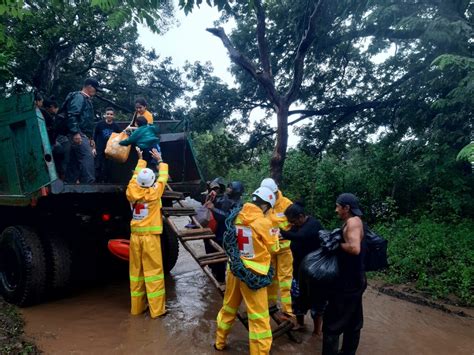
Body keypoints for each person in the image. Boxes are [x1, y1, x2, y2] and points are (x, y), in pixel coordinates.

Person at [215, 186, 279, 354]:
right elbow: (274, 249)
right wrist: (275, 236)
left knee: (228, 307)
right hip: (253, 276)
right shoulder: (264, 223)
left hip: (234, 270)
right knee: (259, 318)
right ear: (266, 206)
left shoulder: (238, 216)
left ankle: (219, 342)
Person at [126, 147, 169, 318]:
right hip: (150, 239)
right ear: (152, 181)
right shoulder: (154, 192)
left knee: (136, 274)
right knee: (153, 274)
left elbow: (134, 177)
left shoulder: (131, 192)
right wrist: (159, 160)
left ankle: (137, 308)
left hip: (135, 238)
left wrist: (140, 159)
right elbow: (163, 177)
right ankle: (157, 311)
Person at [322, 193, 366, 355]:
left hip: (347, 284)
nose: (336, 210)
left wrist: (337, 245)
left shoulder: (353, 222)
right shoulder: (356, 221)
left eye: (338, 206)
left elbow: (355, 248)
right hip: (356, 280)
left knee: (333, 322)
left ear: (346, 208)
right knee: (353, 320)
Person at [281, 202, 325, 335]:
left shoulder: (313, 225)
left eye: (293, 221)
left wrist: (282, 233)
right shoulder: (297, 226)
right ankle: (300, 324)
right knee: (297, 297)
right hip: (298, 269)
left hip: (314, 271)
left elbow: (300, 236)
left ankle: (317, 331)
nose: (292, 224)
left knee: (316, 301)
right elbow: (291, 233)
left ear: (301, 216)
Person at [260, 178, 294, 318]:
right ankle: (270, 304)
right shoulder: (264, 203)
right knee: (271, 277)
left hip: (285, 248)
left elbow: (295, 224)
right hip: (270, 248)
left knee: (285, 279)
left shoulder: (287, 204)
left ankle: (288, 311)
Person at [61, 77, 100, 183]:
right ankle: (89, 185)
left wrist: (91, 137)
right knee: (87, 157)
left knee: (74, 162)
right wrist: (75, 132)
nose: (95, 92)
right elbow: (72, 115)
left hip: (82, 134)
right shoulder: (79, 97)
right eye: (95, 89)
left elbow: (87, 121)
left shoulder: (86, 99)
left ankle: (68, 185)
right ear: (89, 86)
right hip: (78, 133)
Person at [205, 181, 245, 282]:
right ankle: (215, 274)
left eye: (230, 188)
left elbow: (228, 217)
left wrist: (213, 208)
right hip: (217, 233)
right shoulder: (225, 198)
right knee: (213, 254)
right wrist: (211, 194)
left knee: (223, 259)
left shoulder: (238, 205)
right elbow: (214, 203)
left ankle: (222, 280)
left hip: (227, 235)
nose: (227, 189)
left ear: (235, 191)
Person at [93, 107, 121, 182]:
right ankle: (97, 182)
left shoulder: (116, 126)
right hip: (100, 149)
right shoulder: (99, 124)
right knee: (98, 166)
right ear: (105, 115)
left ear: (114, 116)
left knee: (109, 167)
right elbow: (94, 137)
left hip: (110, 150)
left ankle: (107, 182)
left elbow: (120, 138)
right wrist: (93, 148)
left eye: (111, 114)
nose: (109, 115)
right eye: (108, 114)